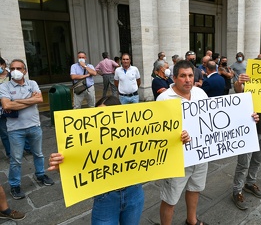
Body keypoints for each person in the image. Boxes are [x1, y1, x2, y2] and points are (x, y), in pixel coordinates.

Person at [48, 96, 144, 225]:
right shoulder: (88, 141)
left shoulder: (134, 134)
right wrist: (63, 166)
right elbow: (80, 162)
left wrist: (178, 139)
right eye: (97, 115)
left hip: (134, 193)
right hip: (106, 198)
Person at [156, 60, 208, 225]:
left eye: (191, 75)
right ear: (174, 78)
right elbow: (157, 132)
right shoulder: (164, 99)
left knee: (195, 188)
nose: (188, 80)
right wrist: (176, 137)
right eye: (183, 76)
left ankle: (191, 220)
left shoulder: (200, 93)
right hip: (177, 159)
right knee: (170, 198)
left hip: (200, 154)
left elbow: (211, 119)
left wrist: (247, 118)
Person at [0, 59, 54, 199]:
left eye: (19, 68)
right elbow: (6, 106)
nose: (15, 71)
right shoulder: (4, 87)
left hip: (34, 126)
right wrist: (30, 100)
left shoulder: (32, 83)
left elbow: (39, 100)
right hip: (15, 129)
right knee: (16, 159)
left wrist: (16, 101)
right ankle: (14, 185)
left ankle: (41, 175)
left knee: (39, 154)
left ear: (25, 70)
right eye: (12, 68)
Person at [231, 73, 261, 210]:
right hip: (248, 129)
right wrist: (239, 82)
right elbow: (238, 89)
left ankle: (250, 183)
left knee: (258, 159)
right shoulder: (249, 85)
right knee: (243, 163)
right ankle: (237, 191)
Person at [0, 57, 11, 157]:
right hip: (0, 109)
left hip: (13, 106)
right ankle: (9, 152)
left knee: (21, 127)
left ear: (3, 65)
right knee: (4, 132)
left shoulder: (12, 75)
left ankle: (27, 147)